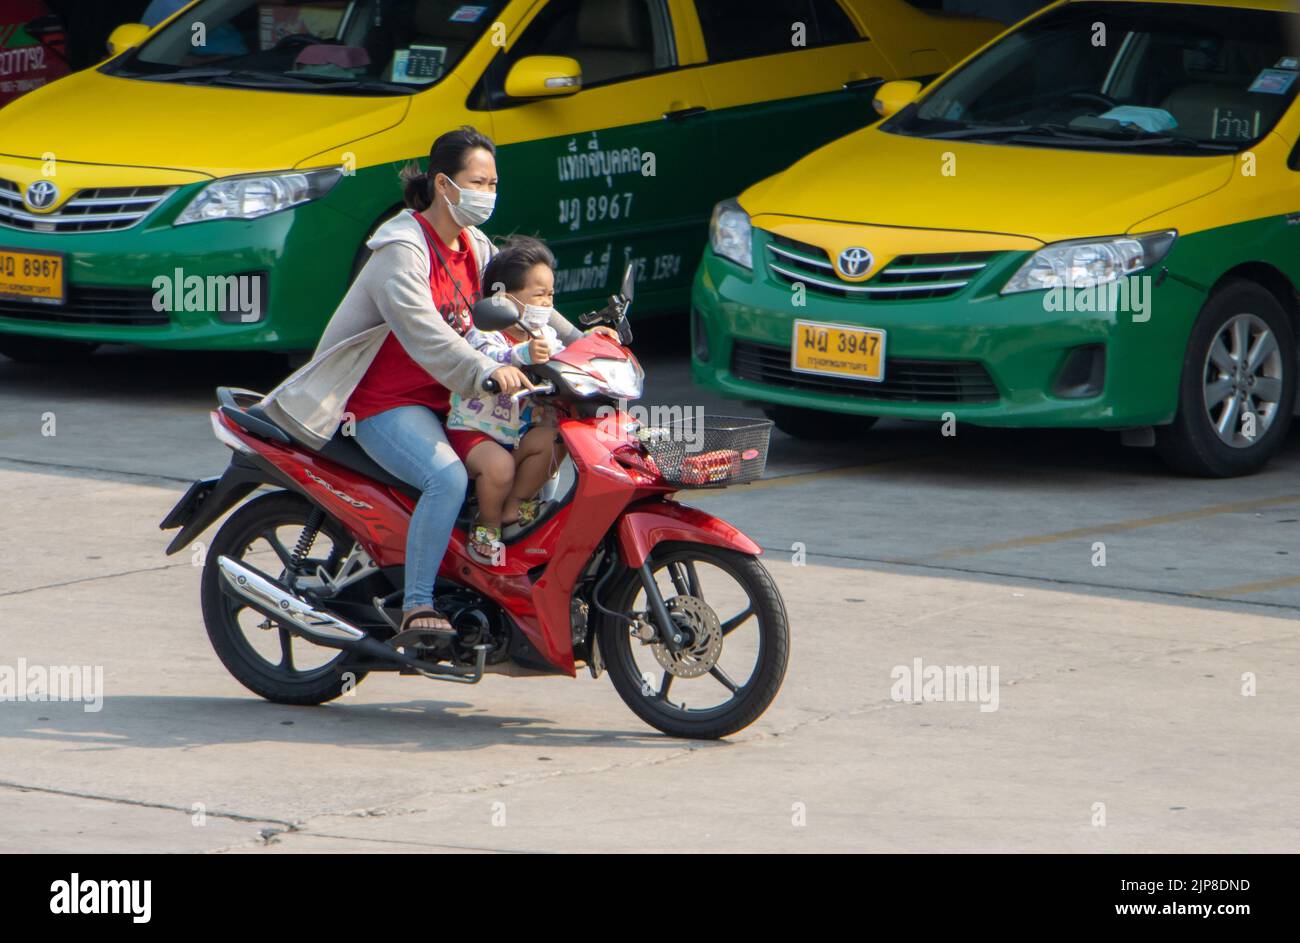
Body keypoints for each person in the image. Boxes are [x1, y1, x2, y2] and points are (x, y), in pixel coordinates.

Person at [257, 126, 586, 639]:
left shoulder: (474, 246)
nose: (488, 194)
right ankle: (417, 605)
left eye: (493, 184)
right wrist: (485, 370)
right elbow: (424, 331)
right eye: (478, 182)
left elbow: (524, 301)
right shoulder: (402, 249)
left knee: (546, 444)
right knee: (447, 478)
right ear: (443, 185)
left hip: (452, 400)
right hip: (384, 403)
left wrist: (587, 344)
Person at [445, 237, 587, 563]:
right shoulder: (485, 333)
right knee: (500, 467)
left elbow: (568, 358)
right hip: (474, 431)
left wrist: (595, 342)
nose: (547, 303)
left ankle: (514, 506)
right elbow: (487, 357)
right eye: (538, 295)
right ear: (504, 299)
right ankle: (487, 525)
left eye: (550, 295)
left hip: (517, 434)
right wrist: (520, 354)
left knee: (556, 440)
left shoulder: (545, 335)